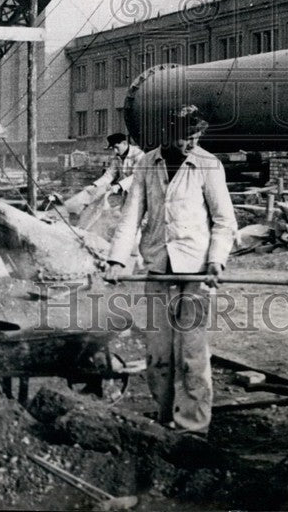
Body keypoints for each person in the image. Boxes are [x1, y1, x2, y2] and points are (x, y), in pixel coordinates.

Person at [105, 106, 237, 436]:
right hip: (157, 268)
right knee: (158, 354)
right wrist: (117, 261)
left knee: (191, 353)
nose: (191, 143)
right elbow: (131, 218)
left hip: (195, 271)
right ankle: (165, 420)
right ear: (166, 133)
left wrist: (215, 261)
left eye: (196, 137)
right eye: (185, 137)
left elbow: (224, 221)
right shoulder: (147, 163)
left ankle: (193, 427)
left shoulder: (207, 164)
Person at [58, 132, 144, 229]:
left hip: (139, 191)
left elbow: (136, 176)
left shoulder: (139, 155)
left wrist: (119, 186)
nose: (115, 151)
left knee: (136, 218)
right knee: (123, 216)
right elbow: (109, 174)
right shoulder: (117, 157)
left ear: (124, 143)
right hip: (126, 191)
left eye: (117, 147)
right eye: (113, 148)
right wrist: (94, 185)